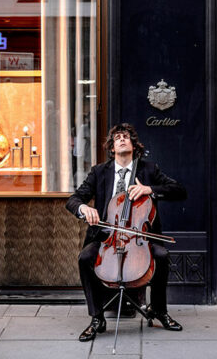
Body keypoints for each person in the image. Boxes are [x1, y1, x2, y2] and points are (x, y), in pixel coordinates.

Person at [66, 122, 187, 342]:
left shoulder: (149, 170)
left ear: (134, 145)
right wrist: (83, 208)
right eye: (117, 137)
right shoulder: (99, 172)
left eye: (126, 137)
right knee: (85, 258)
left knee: (162, 256)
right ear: (112, 148)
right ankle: (97, 317)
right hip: (106, 237)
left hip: (139, 237)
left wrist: (149, 189)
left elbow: (179, 190)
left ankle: (158, 310)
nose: (121, 139)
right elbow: (73, 200)